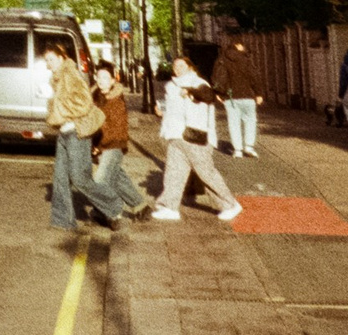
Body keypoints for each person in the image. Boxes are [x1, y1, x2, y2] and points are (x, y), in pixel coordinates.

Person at [152, 54, 242, 222]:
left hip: (195, 137)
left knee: (206, 173)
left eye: (181, 66)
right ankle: (169, 207)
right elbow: (175, 110)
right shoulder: (171, 86)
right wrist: (162, 113)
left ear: (190, 68)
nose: (177, 69)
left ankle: (230, 205)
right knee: (174, 172)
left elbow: (208, 95)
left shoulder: (198, 83)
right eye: (175, 66)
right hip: (176, 135)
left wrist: (190, 91)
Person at [40, 46, 121, 233]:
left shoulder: (70, 74)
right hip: (65, 132)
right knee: (60, 178)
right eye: (46, 61)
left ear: (62, 58)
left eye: (51, 60)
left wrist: (56, 103)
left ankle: (113, 205)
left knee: (80, 179)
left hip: (77, 132)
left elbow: (83, 103)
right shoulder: (58, 78)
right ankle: (63, 220)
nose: (48, 64)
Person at [91, 60, 152, 217]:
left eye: (105, 77)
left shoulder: (116, 101)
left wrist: (99, 145)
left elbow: (116, 131)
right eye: (98, 77)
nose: (100, 80)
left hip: (113, 145)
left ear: (112, 81)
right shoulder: (94, 97)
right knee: (117, 177)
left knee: (100, 180)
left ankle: (109, 211)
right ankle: (141, 206)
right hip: (100, 144)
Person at [212, 38, 261, 158]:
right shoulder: (246, 60)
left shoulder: (222, 60)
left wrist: (219, 93)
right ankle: (249, 146)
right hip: (248, 96)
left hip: (230, 97)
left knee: (233, 123)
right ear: (239, 46)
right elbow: (254, 77)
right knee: (250, 120)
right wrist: (259, 93)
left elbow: (218, 78)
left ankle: (237, 150)